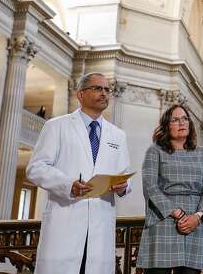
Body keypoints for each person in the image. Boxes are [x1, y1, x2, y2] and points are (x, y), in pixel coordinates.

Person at [26, 72, 132, 274]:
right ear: (80, 94)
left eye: (107, 90)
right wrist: (68, 184)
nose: (104, 94)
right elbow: (36, 167)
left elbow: (124, 173)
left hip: (100, 228)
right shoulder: (56, 126)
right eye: (97, 88)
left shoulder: (118, 135)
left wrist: (124, 186)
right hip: (65, 221)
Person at [137, 104, 203, 274]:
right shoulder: (155, 151)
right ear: (166, 125)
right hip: (163, 220)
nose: (182, 123)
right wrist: (176, 213)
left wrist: (198, 216)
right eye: (176, 119)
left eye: (185, 118)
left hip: (194, 223)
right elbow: (150, 187)